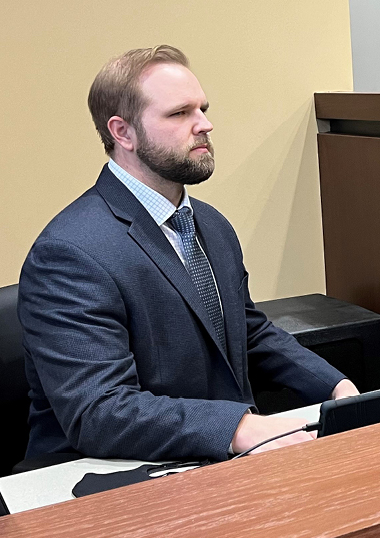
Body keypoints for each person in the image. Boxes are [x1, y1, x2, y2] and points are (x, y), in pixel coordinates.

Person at [19, 46, 359, 463]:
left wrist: (337, 389)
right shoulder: (69, 253)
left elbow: (247, 332)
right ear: (123, 133)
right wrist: (239, 427)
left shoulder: (210, 225)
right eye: (180, 113)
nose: (205, 124)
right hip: (102, 487)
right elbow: (100, 412)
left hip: (216, 460)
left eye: (202, 109)